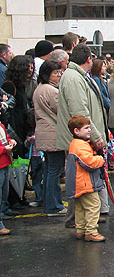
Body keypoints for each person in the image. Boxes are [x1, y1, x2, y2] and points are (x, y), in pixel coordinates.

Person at [56, 44, 109, 228]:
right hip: (80, 139)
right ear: (89, 59)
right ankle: (77, 220)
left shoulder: (78, 76)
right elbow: (79, 112)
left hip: (83, 136)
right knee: (79, 181)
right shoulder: (73, 78)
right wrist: (95, 136)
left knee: (85, 180)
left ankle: (85, 217)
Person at [32, 60, 66, 216]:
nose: (59, 75)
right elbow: (61, 110)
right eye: (55, 73)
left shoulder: (39, 88)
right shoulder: (51, 91)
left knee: (49, 170)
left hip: (44, 132)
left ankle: (48, 202)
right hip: (52, 133)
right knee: (54, 170)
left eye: (59, 72)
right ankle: (54, 205)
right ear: (47, 74)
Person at [65, 115, 106, 242]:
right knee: (93, 205)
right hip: (85, 183)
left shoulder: (75, 144)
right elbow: (89, 162)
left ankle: (81, 229)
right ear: (76, 131)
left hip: (78, 184)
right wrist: (100, 159)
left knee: (80, 208)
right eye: (86, 128)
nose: (89, 130)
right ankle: (91, 231)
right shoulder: (80, 146)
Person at [0, 119, 16, 235]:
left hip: (5, 162)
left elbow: (5, 139)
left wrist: (11, 141)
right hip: (2, 161)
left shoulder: (1, 125)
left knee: (4, 194)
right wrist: (4, 149)